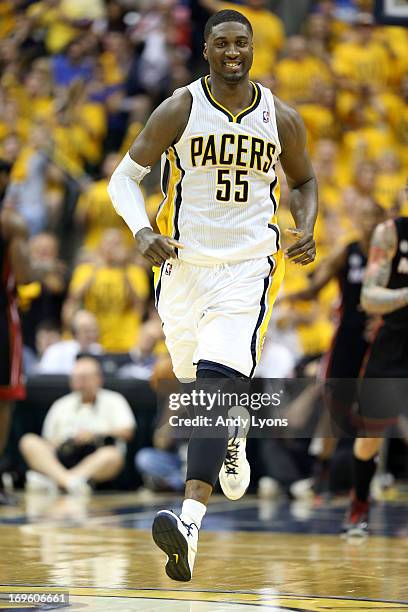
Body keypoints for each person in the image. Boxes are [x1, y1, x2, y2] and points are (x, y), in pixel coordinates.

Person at [108, 9, 317, 581]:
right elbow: (123, 178)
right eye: (221, 43)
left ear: (253, 48)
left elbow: (304, 181)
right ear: (205, 49)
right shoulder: (180, 107)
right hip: (182, 268)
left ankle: (189, 525)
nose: (232, 52)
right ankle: (236, 431)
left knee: (211, 394)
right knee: (197, 389)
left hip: (247, 269)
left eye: (241, 43)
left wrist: (309, 224)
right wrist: (142, 230)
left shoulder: (282, 117)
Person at [284, 200, 386, 496]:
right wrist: (291, 297)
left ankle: (374, 476)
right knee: (335, 409)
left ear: (382, 222)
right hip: (346, 340)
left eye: (372, 216)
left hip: (378, 340)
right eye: (362, 215)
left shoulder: (389, 256)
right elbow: (316, 287)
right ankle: (319, 475)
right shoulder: (347, 251)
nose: (366, 221)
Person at [0, 158, 60, 505]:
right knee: (5, 398)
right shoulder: (10, 221)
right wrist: (46, 266)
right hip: (3, 319)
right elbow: (23, 275)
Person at [344, 215, 408, 536]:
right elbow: (368, 297)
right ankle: (359, 502)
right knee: (369, 438)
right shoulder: (391, 233)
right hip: (394, 344)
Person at [19, 357, 136, 495]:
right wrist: (64, 442)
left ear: (98, 378)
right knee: (28, 441)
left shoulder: (114, 400)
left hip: (97, 457)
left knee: (113, 455)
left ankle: (59, 481)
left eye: (84, 378)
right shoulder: (61, 404)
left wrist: (94, 435)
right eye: (75, 378)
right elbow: (48, 440)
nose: (79, 383)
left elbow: (128, 431)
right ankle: (69, 482)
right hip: (63, 456)